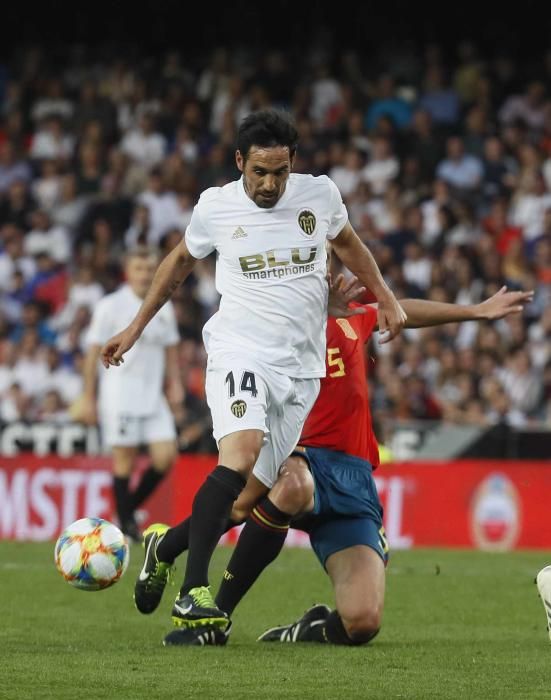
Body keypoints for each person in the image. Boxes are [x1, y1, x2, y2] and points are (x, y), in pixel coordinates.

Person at [100, 109, 407, 630]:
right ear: (240, 161)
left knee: (241, 505)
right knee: (238, 453)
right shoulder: (216, 207)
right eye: (259, 172)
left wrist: (388, 298)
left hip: (300, 372)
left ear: (293, 165)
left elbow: (350, 244)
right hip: (240, 352)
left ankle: (163, 548)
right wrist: (134, 328)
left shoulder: (320, 197)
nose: (269, 184)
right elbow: (177, 263)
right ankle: (194, 591)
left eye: (280, 173)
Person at [135, 279, 531, 646]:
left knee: (363, 621)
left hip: (352, 477)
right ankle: (216, 616)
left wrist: (476, 311)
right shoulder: (271, 323)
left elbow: (399, 310)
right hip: (298, 458)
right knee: (278, 489)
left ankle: (307, 627)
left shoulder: (350, 315)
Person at [81, 246, 183, 540]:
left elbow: (171, 349)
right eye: (139, 269)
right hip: (119, 394)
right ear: (128, 272)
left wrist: (174, 383)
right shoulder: (109, 306)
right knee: (124, 460)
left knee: (166, 456)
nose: (145, 275)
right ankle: (127, 527)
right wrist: (88, 396)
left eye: (150, 269)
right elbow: (91, 353)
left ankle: (124, 514)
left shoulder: (164, 306)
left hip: (153, 397)